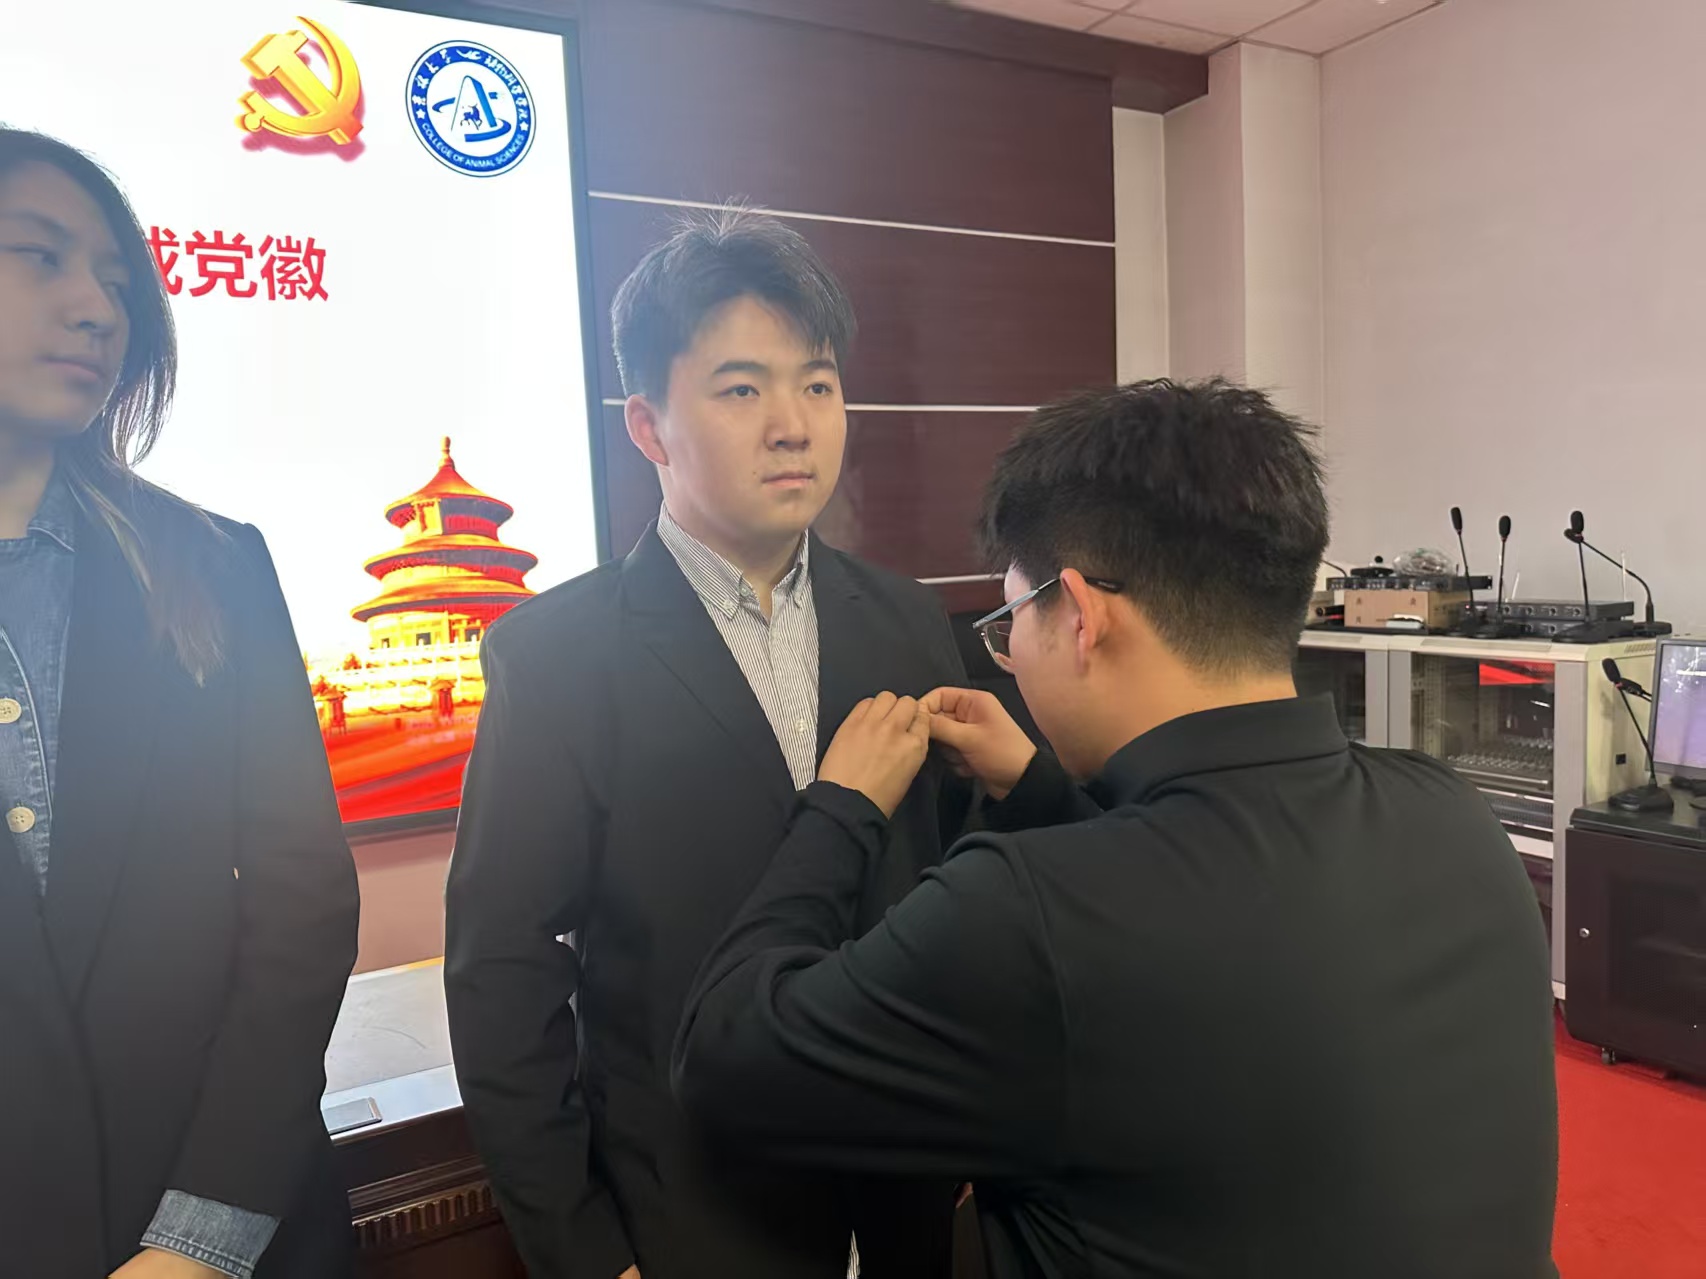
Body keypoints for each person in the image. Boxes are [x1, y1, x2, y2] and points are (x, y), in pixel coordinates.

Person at [673, 379, 1560, 1278]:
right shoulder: (1454, 816)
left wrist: (841, 806)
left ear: (1081, 615)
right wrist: (1038, 787)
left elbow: (725, 1059)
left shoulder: (1022, 914)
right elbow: (1202, 923)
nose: (1011, 655)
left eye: (1010, 621)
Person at [445, 208, 969, 1279]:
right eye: (741, 390)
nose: (793, 425)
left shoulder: (909, 623)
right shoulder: (557, 658)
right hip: (689, 1217)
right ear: (648, 425)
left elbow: (953, 893)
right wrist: (584, 1251)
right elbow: (501, 971)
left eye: (817, 384)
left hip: (906, 1197)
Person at [0, 128, 360, 1279]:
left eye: (115, 281)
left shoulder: (211, 563)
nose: (95, 309)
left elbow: (302, 908)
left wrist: (198, 1242)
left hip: (223, 1229)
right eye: (37, 256)